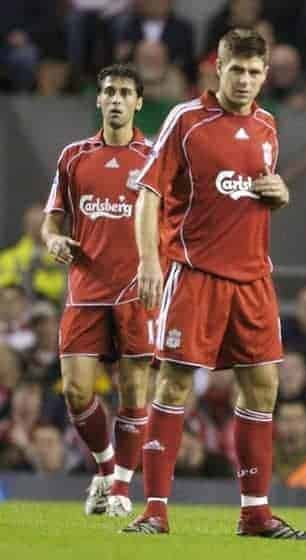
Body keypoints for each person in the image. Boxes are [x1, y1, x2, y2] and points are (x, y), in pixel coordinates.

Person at [125, 28, 306, 540]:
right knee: (174, 383)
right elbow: (148, 193)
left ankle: (255, 514)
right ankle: (155, 512)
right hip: (195, 274)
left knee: (263, 386)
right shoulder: (185, 120)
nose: (247, 80)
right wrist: (149, 261)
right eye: (238, 71)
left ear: (265, 74)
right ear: (219, 68)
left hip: (253, 278)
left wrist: (280, 193)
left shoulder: (269, 125)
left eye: (256, 73)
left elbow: (257, 191)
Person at [40, 64, 154, 517]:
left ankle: (123, 490)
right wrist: (52, 239)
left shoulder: (155, 157)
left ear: (138, 102)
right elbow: (53, 217)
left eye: (125, 92)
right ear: (98, 99)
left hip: (135, 292)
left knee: (133, 392)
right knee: (75, 392)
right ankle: (106, 470)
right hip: (86, 290)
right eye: (108, 91)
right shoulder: (73, 157)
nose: (116, 99)